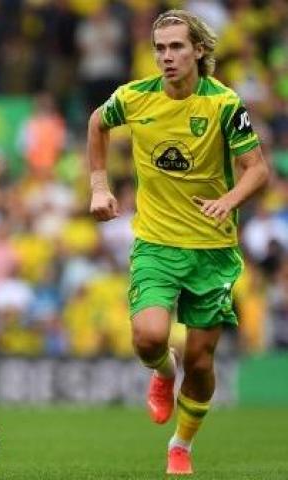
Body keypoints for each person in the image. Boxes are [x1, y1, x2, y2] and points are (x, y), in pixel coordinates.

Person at [88, 10, 269, 476]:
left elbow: (258, 169)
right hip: (156, 243)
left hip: (212, 250)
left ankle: (181, 446)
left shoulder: (225, 105)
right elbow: (96, 123)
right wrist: (98, 185)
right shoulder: (135, 97)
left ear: (200, 51)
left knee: (202, 361)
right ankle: (161, 371)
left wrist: (228, 200)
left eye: (177, 47)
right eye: (161, 48)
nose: (167, 57)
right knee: (149, 337)